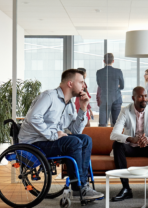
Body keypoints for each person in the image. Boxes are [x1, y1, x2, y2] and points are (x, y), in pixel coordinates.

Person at [18, 69, 104, 200]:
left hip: (49, 141)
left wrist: (83, 108)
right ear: (70, 83)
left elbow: (76, 132)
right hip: (33, 142)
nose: (84, 86)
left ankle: (83, 185)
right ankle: (78, 188)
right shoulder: (49, 96)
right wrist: (53, 135)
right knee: (73, 142)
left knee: (85, 139)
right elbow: (33, 118)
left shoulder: (69, 105)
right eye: (81, 82)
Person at [96, 53, 124, 127]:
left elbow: (100, 85)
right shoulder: (118, 71)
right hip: (116, 99)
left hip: (104, 99)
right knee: (116, 124)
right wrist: (117, 87)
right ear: (113, 61)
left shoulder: (99, 72)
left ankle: (102, 138)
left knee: (102, 124)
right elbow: (122, 86)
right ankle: (115, 138)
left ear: (104, 61)